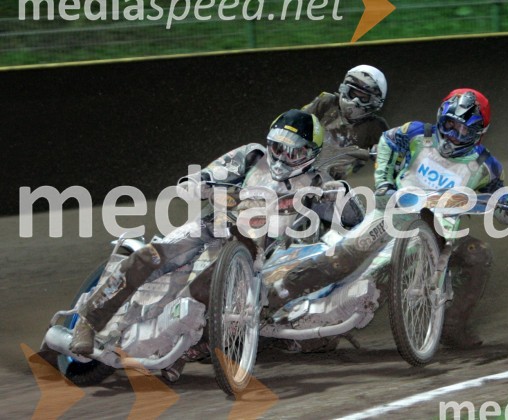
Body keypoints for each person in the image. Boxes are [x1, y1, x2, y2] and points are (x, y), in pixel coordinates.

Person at [69, 110, 360, 358]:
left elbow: (354, 219)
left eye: (294, 152)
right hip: (212, 226)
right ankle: (89, 321)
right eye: (278, 147)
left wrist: (342, 194)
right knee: (151, 256)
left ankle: (191, 345)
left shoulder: (317, 183)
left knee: (208, 286)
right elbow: (204, 176)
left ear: (311, 155)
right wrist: (201, 183)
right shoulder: (252, 156)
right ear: (269, 144)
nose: (283, 157)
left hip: (260, 256)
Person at [268, 88, 508, 349]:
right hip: (389, 216)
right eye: (450, 125)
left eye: (463, 131)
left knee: (477, 253)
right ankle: (274, 298)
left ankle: (453, 325)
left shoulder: (487, 166)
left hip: (441, 237)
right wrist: (384, 183)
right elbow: (387, 141)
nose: (453, 135)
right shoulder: (417, 133)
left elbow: (498, 198)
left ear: (479, 133)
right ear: (441, 117)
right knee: (346, 258)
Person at [302, 64, 390, 180]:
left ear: (375, 101)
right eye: (354, 93)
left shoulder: (375, 126)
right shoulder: (326, 102)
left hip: (332, 182)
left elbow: (390, 156)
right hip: (300, 164)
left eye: (362, 97)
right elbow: (296, 121)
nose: (355, 100)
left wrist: (380, 151)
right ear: (344, 88)